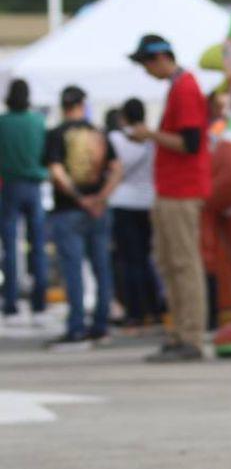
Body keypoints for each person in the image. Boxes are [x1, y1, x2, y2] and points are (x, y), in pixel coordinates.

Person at [128, 33, 210, 362]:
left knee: (183, 264)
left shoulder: (186, 88)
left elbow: (190, 143)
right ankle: (179, 333)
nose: (146, 71)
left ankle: (190, 336)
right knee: (169, 263)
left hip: (182, 189)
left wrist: (150, 135)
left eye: (147, 63)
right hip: (171, 190)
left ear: (161, 58)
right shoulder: (179, 87)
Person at [43, 85, 122, 350]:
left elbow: (56, 171)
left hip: (69, 209)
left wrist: (79, 198)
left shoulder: (56, 134)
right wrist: (100, 197)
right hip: (99, 210)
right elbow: (116, 169)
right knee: (102, 268)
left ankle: (76, 325)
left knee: (73, 270)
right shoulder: (97, 132)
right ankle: (101, 324)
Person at [107, 98, 163, 328]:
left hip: (123, 202)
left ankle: (136, 310)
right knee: (146, 258)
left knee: (129, 261)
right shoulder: (152, 139)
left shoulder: (116, 139)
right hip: (148, 201)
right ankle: (155, 307)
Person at [0, 78, 49, 325]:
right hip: (34, 185)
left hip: (9, 186)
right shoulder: (37, 121)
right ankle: (39, 305)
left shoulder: (3, 123)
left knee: (10, 248)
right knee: (37, 248)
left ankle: (11, 305)